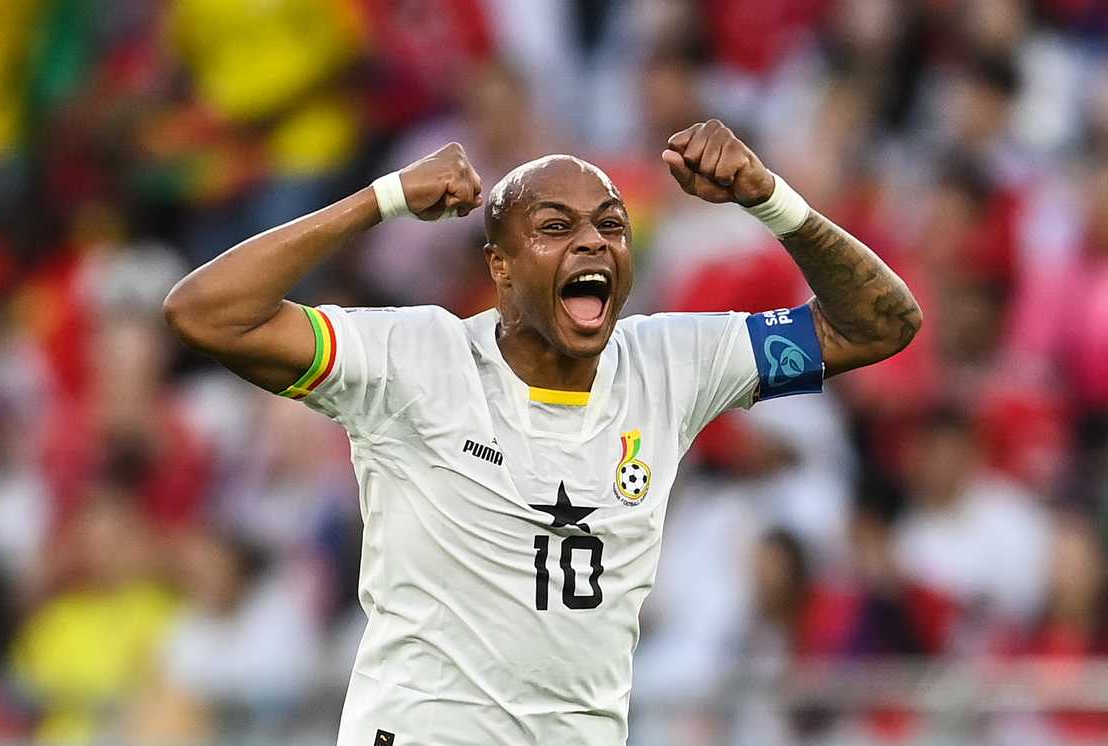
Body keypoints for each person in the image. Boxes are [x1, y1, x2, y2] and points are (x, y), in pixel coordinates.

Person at [164, 118, 921, 745]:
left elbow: (882, 324)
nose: (592, 243)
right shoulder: (414, 358)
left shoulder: (673, 363)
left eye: (611, 227)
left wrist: (771, 201)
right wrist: (383, 198)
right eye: (555, 227)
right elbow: (206, 312)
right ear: (498, 266)